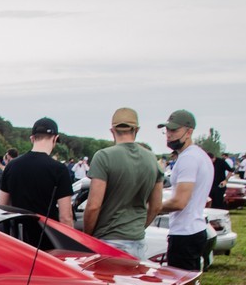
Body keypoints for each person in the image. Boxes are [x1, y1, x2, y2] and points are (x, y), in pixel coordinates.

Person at [81, 107, 165, 261]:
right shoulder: (152, 159)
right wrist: (138, 227)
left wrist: (88, 236)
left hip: (108, 240)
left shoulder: (103, 157)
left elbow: (93, 206)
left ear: (112, 130)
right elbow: (157, 206)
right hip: (137, 240)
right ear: (136, 130)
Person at [157, 109, 214, 272]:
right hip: (193, 229)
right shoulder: (199, 155)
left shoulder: (188, 158)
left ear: (189, 132)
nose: (169, 135)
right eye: (167, 130)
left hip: (185, 233)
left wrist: (154, 208)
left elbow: (180, 201)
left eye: (174, 130)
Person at [0, 117, 75, 224]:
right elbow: (66, 217)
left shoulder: (11, 166)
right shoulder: (59, 169)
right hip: (47, 236)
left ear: (32, 139)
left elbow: (2, 206)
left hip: (17, 236)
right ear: (55, 138)